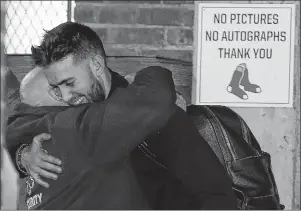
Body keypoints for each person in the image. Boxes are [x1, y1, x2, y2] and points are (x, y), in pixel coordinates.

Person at [6, 22, 237, 209]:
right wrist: (22, 155)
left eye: (70, 83)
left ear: (96, 65)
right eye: (57, 88)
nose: (65, 96)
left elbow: (214, 193)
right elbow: (23, 121)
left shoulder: (155, 113)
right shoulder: (76, 112)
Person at [6, 65, 177, 209]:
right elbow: (157, 97)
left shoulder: (32, 136)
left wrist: (20, 154)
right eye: (66, 82)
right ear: (56, 93)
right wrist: (142, 76)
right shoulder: (77, 128)